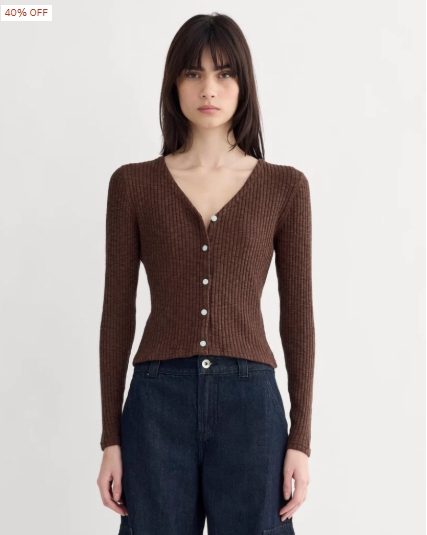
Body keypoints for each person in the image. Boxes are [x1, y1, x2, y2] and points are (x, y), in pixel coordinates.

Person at [96, 12, 315, 535]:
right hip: (156, 403)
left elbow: (298, 319)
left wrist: (301, 439)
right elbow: (116, 314)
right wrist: (111, 439)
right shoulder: (133, 185)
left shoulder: (285, 187)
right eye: (193, 73)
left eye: (224, 73)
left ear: (244, 83)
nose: (209, 89)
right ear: (174, 84)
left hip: (251, 403)